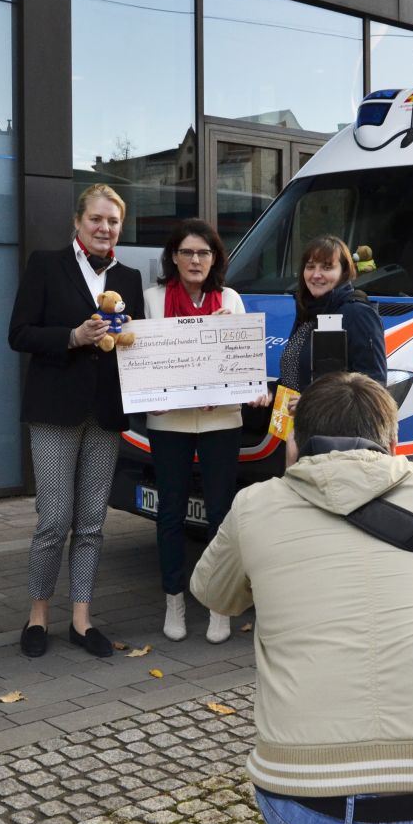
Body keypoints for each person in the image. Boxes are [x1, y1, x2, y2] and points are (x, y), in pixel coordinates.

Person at [191, 372, 413, 824]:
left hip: (307, 788)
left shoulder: (256, 505)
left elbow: (211, 592)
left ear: (295, 441)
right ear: (393, 441)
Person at [8, 184, 144, 659]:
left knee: (90, 523)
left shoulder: (129, 275)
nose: (104, 228)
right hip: (53, 411)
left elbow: (137, 346)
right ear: (77, 221)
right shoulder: (46, 265)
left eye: (113, 222)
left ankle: (82, 620)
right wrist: (72, 335)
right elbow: (19, 333)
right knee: (53, 520)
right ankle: (38, 615)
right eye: (97, 220)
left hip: (104, 414)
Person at [144, 219, 260, 644]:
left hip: (220, 419)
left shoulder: (230, 299)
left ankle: (218, 603)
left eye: (204, 253)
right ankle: (174, 598)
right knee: (170, 512)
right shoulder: (152, 300)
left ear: (215, 259)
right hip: (168, 420)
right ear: (173, 256)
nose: (196, 260)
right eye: (188, 252)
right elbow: (141, 360)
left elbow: (244, 360)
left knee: (220, 514)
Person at [259, 236, 387, 415]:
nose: (316, 274)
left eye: (327, 267)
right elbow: (297, 378)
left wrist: (314, 402)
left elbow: (374, 387)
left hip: (336, 436)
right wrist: (271, 390)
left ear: (344, 272)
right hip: (297, 432)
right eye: (310, 267)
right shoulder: (308, 311)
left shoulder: (358, 313)